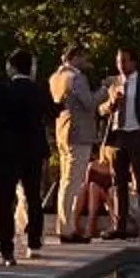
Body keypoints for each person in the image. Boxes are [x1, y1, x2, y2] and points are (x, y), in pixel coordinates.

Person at [0, 46, 52, 265]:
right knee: (33, 196)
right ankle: (34, 242)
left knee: (6, 200)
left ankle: (7, 246)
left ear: (11, 67)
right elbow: (51, 112)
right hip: (34, 150)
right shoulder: (40, 90)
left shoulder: (6, 90)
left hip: (10, 151)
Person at [103, 48, 140, 239]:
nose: (121, 65)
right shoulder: (113, 83)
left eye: (125, 61)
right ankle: (119, 226)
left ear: (134, 63)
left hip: (137, 135)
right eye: (119, 61)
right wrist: (112, 102)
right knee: (118, 183)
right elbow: (102, 110)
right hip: (118, 136)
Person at [50, 46, 104, 242]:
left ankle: (64, 225)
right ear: (76, 57)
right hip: (79, 133)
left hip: (63, 132)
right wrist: (106, 89)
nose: (85, 62)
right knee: (73, 182)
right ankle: (67, 228)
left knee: (66, 181)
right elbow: (89, 103)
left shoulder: (56, 76)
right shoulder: (76, 78)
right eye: (83, 57)